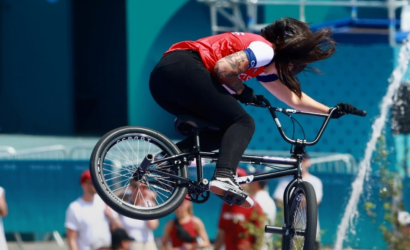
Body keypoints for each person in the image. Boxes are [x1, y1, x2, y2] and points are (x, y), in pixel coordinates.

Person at [149, 17, 358, 208]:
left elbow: (294, 99)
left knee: (224, 132)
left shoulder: (264, 65)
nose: (291, 73)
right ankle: (224, 176)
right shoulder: (265, 51)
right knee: (243, 122)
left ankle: (166, 160)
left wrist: (329, 111)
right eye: (294, 67)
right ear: (287, 57)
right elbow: (223, 69)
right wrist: (243, 91)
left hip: (163, 83)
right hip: (182, 67)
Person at [273, 154, 323, 249]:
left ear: (308, 162)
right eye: (296, 160)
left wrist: (291, 202)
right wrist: (304, 201)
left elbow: (315, 203)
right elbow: (279, 201)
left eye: (303, 160)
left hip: (310, 233)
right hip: (288, 232)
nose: (300, 163)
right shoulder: (285, 180)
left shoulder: (315, 181)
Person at [65, 170, 121, 250]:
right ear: (84, 184)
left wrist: (112, 217)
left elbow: (119, 226)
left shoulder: (104, 201)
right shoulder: (75, 208)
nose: (97, 184)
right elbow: (71, 239)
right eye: (93, 182)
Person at [214, 168, 265, 250]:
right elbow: (222, 231)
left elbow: (259, 234)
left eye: (240, 179)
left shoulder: (253, 205)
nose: (237, 183)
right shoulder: (226, 205)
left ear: (246, 182)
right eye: (234, 179)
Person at [117, 181, 159, 250]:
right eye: (137, 187)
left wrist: (146, 204)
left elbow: (153, 225)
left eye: (144, 187)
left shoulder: (149, 204)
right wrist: (126, 189)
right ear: (132, 187)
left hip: (148, 243)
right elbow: (111, 196)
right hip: (130, 244)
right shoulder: (124, 203)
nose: (141, 190)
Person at [247, 169, 276, 250]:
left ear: (255, 183)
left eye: (250, 181)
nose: (248, 184)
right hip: (265, 245)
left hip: (258, 245)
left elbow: (259, 226)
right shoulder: (269, 200)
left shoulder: (256, 201)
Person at [391, 80, 410, 178]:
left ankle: (404, 172)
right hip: (400, 127)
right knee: (400, 153)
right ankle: (401, 173)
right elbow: (395, 112)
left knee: (406, 152)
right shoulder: (397, 95)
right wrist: (396, 128)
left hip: (404, 126)